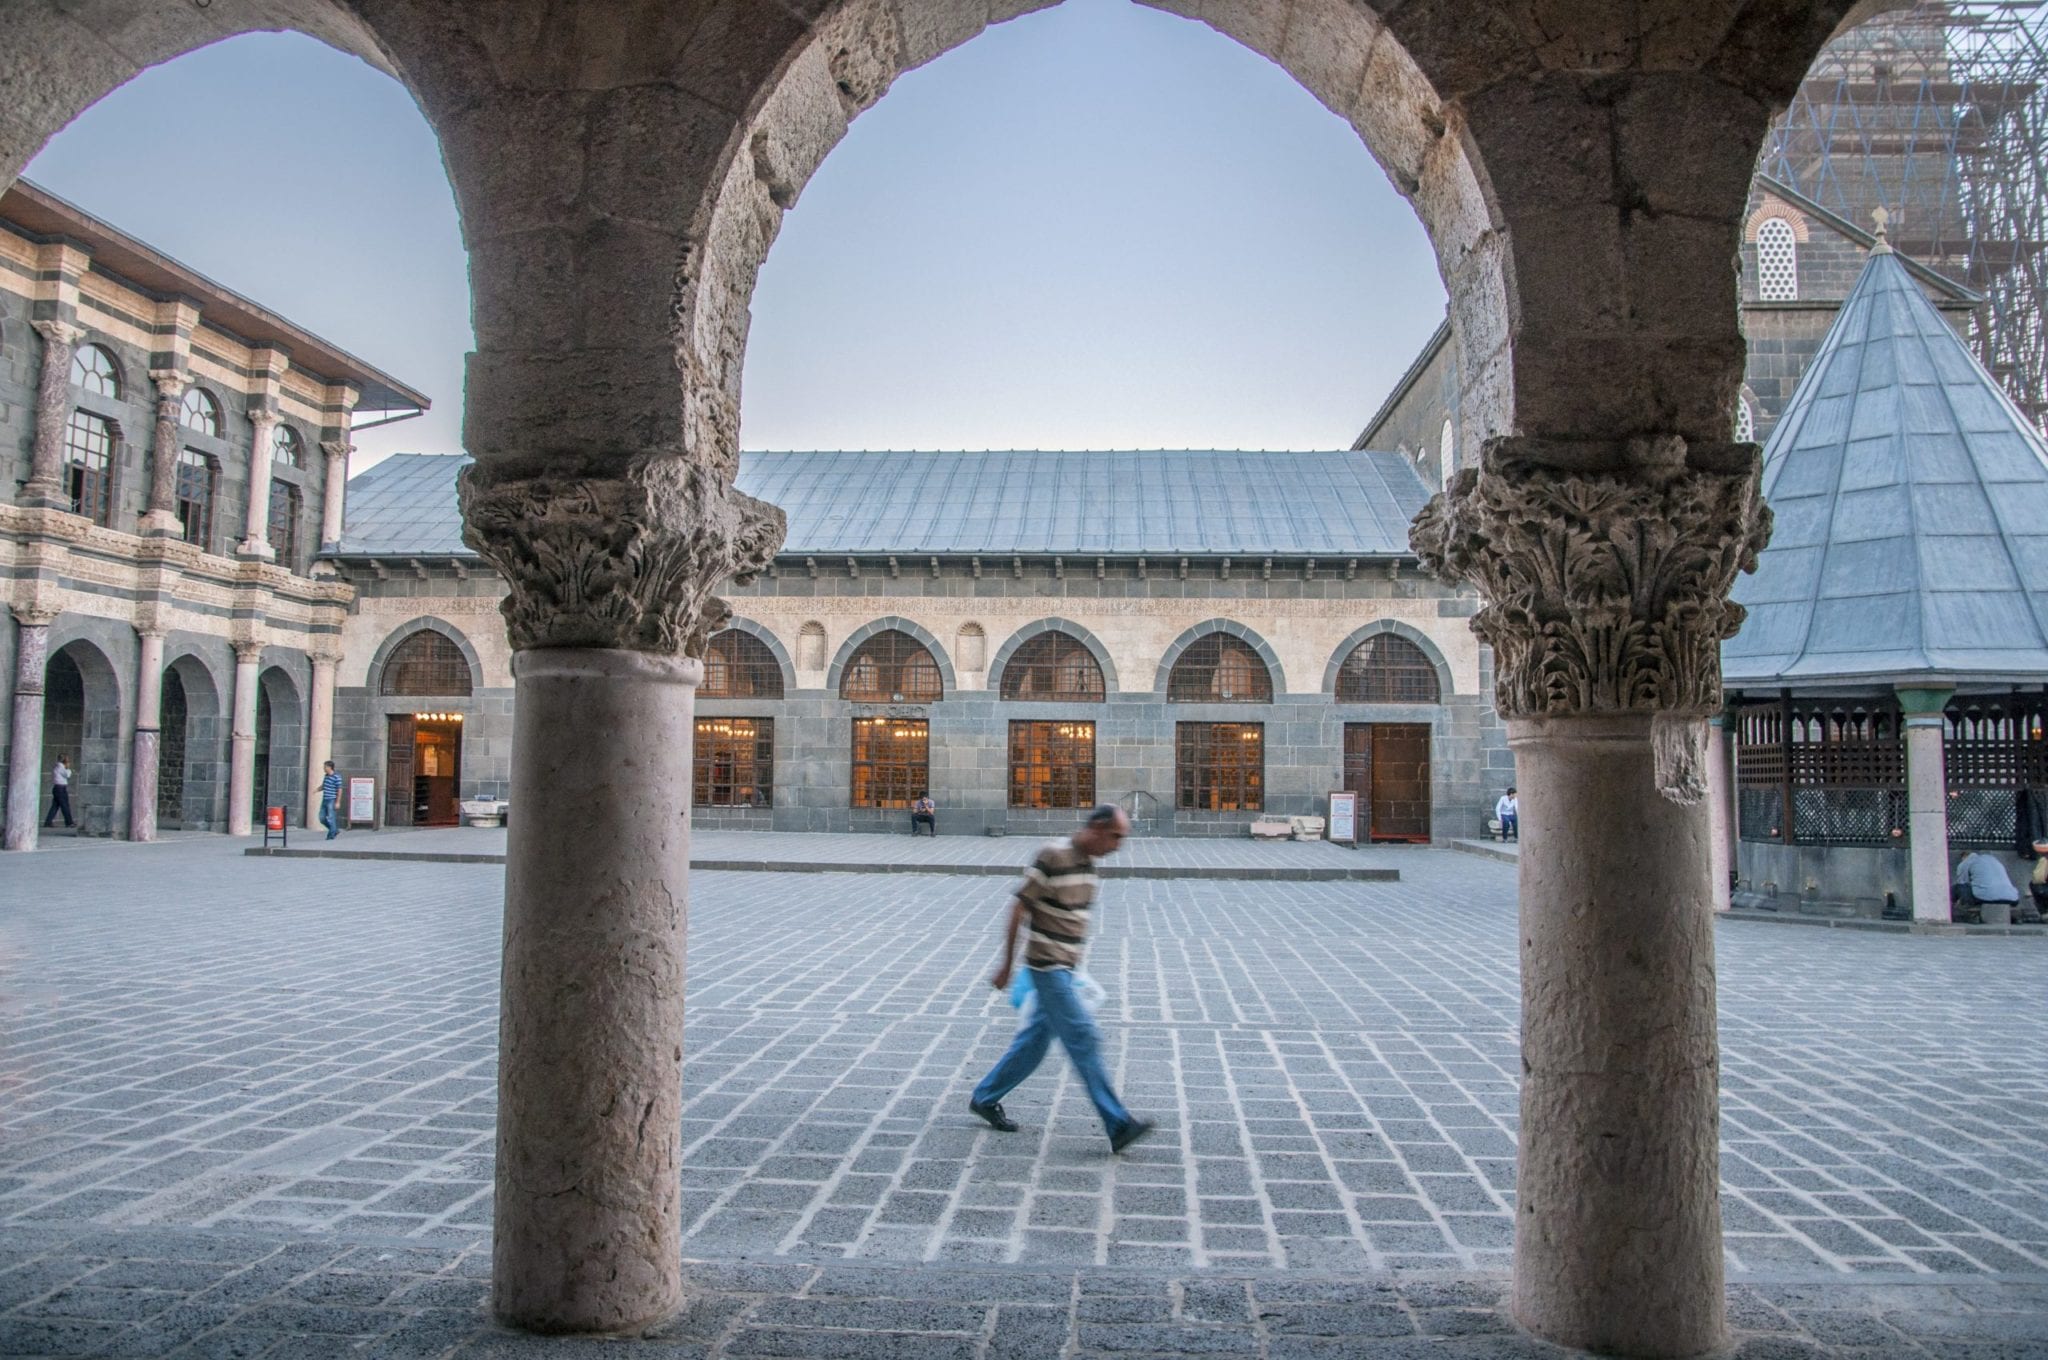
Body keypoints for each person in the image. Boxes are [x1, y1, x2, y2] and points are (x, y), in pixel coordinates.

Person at [969, 805, 1153, 1153]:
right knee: (1082, 1036)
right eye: (1115, 836)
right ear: (1096, 828)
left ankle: (984, 1096)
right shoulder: (1052, 856)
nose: (1118, 846)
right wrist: (1006, 965)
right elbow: (1019, 908)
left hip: (1066, 971)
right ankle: (1118, 1124)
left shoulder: (1088, 867)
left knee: (1033, 1044)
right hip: (1046, 967)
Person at [1952, 848, 2020, 924]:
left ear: (1964, 857)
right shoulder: (1994, 861)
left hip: (1985, 897)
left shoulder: (1967, 861)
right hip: (2012, 898)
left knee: (1957, 888)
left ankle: (1952, 912)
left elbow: (1962, 881)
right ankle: (2013, 917)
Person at [42, 756, 73, 829]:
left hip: (58, 788)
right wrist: (68, 768)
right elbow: (67, 775)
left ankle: (48, 822)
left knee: (55, 806)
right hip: (60, 789)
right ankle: (69, 822)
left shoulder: (57, 767)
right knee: (65, 805)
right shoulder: (60, 768)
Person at [319, 761, 344, 840]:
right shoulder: (326, 776)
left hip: (331, 800)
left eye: (325, 766)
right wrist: (316, 790)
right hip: (325, 799)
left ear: (329, 767)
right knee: (322, 818)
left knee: (331, 818)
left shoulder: (337, 777)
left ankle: (331, 836)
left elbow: (339, 789)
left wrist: (338, 802)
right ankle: (334, 830)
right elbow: (323, 786)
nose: (324, 768)